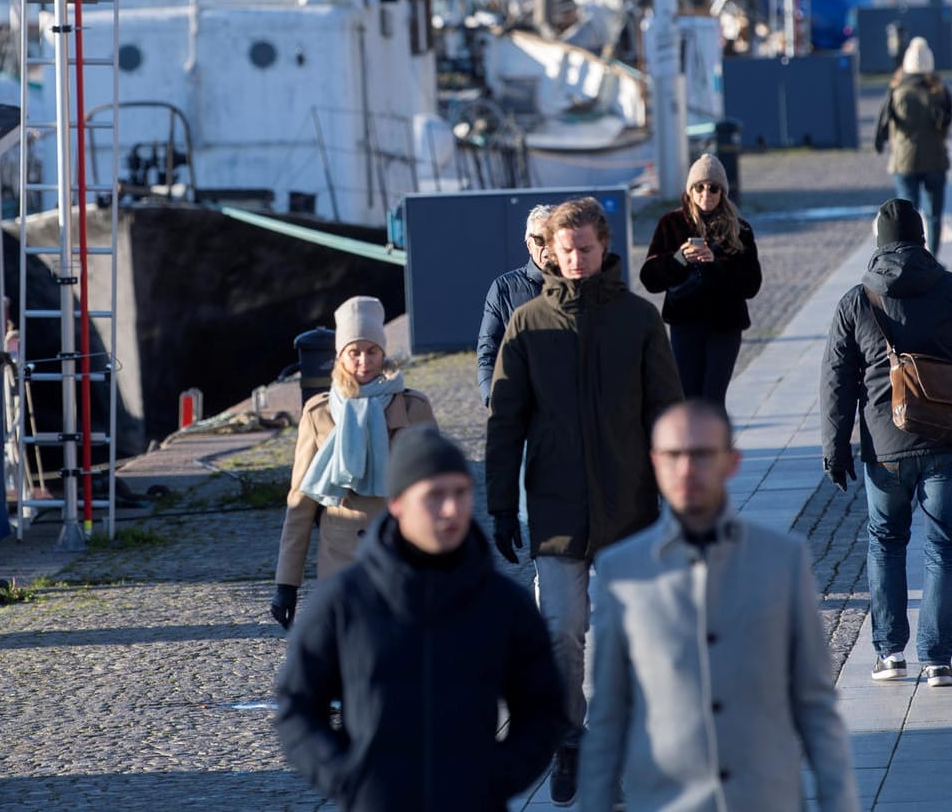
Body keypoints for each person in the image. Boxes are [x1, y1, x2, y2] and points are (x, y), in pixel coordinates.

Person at [486, 195, 685, 806]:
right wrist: (499, 503)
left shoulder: (637, 319)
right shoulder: (527, 324)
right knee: (562, 631)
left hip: (629, 507)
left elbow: (668, 413)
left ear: (603, 246)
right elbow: (505, 420)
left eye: (586, 249)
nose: (575, 259)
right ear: (551, 250)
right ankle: (570, 739)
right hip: (555, 506)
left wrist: (680, 494)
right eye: (565, 250)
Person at [580, 400, 859, 812]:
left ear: (731, 462)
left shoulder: (782, 559)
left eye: (701, 454)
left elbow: (815, 705)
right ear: (654, 463)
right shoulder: (621, 572)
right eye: (674, 455)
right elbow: (607, 717)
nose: (686, 469)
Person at [272, 427, 568, 811]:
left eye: (460, 493)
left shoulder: (503, 603)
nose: (450, 510)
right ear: (397, 503)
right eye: (434, 496)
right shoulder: (344, 602)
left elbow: (542, 708)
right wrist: (349, 778)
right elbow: (297, 709)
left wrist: (496, 777)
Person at [819, 199, 952, 688]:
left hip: (886, 447)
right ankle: (937, 661)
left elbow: (836, 382)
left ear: (879, 243)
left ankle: (889, 654)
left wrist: (835, 449)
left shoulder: (857, 300)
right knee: (944, 546)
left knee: (885, 541)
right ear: (923, 239)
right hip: (950, 440)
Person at [271, 296, 437, 630]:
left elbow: (437, 491)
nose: (364, 361)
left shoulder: (414, 408)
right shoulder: (319, 413)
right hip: (340, 557)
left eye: (372, 351)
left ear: (383, 352)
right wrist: (286, 584)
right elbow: (301, 501)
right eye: (354, 352)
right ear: (340, 356)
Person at [640, 155, 763, 406]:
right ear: (690, 190)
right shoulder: (671, 224)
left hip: (725, 325)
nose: (706, 193)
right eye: (699, 187)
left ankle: (717, 447)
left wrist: (715, 264)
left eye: (713, 187)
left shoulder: (740, 229)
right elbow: (650, 278)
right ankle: (695, 446)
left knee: (713, 400)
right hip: (685, 322)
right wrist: (679, 259)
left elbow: (751, 284)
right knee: (688, 398)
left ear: (723, 192)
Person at [876, 36, 952, 255]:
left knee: (907, 215)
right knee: (934, 214)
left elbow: (884, 124)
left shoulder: (897, 90)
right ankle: (933, 257)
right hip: (935, 159)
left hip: (904, 161)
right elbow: (946, 122)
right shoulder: (939, 91)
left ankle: (910, 257)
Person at [477, 203, 557, 405]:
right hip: (524, 409)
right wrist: (493, 399)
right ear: (529, 245)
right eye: (540, 240)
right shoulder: (503, 289)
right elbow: (488, 353)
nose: (547, 246)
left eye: (552, 238)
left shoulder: (578, 285)